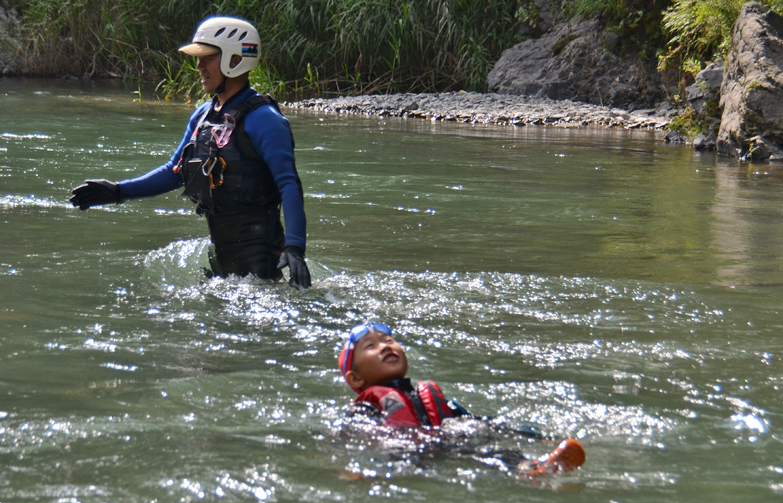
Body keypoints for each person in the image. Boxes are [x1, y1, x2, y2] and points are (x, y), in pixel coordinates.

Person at [69, 16, 311, 289]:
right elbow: (175, 171)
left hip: (262, 269)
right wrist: (118, 192)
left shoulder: (264, 119)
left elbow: (289, 184)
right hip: (222, 266)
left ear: (234, 60)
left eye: (206, 58)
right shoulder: (204, 116)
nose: (198, 66)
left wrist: (295, 249)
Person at [336, 322, 586, 476]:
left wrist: (534, 434)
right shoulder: (367, 404)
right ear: (356, 379)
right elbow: (354, 431)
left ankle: (533, 469)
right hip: (404, 453)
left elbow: (477, 420)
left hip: (445, 443)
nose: (385, 346)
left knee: (492, 447)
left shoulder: (425, 394)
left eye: (389, 340)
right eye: (371, 346)